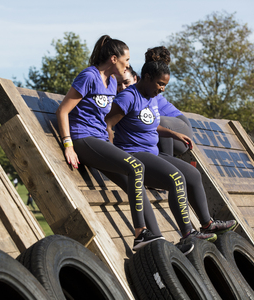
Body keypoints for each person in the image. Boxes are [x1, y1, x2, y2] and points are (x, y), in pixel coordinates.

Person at [56, 35, 176, 252]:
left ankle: (156, 238)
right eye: (126, 60)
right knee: (136, 167)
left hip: (99, 141)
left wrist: (114, 148)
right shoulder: (89, 76)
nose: (128, 65)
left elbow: (108, 122)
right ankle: (140, 234)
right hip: (83, 138)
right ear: (113, 59)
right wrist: (68, 145)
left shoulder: (112, 83)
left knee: (135, 181)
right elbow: (63, 110)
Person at [105, 59, 237, 244]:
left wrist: (174, 134)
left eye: (165, 85)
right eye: (160, 83)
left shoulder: (150, 97)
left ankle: (207, 223)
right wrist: (115, 155)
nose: (162, 89)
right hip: (133, 154)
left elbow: (149, 124)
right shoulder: (127, 97)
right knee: (176, 177)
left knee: (192, 174)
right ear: (147, 77)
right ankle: (187, 234)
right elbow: (108, 124)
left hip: (152, 153)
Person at [145, 46, 194, 157]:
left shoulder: (151, 88)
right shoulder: (142, 84)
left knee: (159, 121)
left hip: (179, 127)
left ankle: (168, 163)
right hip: (161, 129)